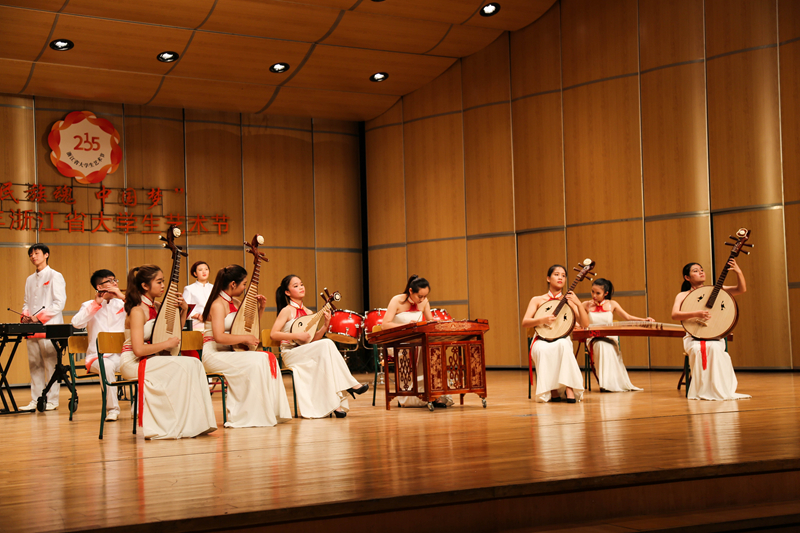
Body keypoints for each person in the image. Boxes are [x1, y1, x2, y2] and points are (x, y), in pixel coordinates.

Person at [119, 265, 217, 439]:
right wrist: (166, 343)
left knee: (195, 363)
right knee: (183, 366)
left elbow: (173, 333)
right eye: (159, 282)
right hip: (134, 362)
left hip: (153, 358)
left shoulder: (158, 306)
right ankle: (173, 424)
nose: (163, 285)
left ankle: (196, 423)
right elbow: (138, 349)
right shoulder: (137, 310)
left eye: (163, 281)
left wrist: (184, 311)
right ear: (145, 286)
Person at [202, 265, 291, 427]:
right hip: (214, 353)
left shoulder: (236, 302)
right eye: (244, 284)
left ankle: (271, 411)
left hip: (231, 351)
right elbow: (219, 337)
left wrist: (261, 308)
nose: (245, 288)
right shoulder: (217, 305)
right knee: (257, 361)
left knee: (267, 357)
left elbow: (249, 328)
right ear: (233, 284)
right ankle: (245, 415)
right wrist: (245, 338)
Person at [269, 274, 368, 418]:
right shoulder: (287, 311)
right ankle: (350, 384)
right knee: (327, 344)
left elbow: (312, 340)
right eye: (296, 286)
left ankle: (335, 404)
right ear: (287, 292)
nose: (301, 287)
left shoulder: (309, 313)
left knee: (325, 354)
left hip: (305, 351)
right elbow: (273, 334)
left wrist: (325, 326)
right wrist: (296, 335)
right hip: (290, 353)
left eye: (301, 284)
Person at [671, 260, 750, 401]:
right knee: (697, 349)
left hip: (714, 336)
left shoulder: (715, 290)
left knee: (714, 348)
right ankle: (702, 389)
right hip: (693, 336)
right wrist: (697, 314)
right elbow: (675, 315)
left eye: (701, 270)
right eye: (695, 271)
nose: (701, 272)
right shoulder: (682, 295)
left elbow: (741, 289)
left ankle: (718, 388)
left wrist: (738, 271)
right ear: (687, 277)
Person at [522, 264, 589, 403]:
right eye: (556, 274)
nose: (560, 278)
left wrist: (577, 303)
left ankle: (569, 388)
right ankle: (551, 389)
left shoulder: (569, 300)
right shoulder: (537, 300)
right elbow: (525, 322)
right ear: (548, 278)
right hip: (541, 339)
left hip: (561, 338)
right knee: (542, 349)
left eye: (563, 275)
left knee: (563, 344)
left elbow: (585, 324)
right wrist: (542, 320)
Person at [382, 275, 452, 408]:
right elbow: (385, 325)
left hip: (418, 341)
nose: (422, 299)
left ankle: (433, 394)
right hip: (399, 342)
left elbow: (429, 321)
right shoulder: (396, 301)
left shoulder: (424, 302)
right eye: (420, 296)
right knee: (420, 350)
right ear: (410, 291)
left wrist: (434, 323)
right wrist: (407, 326)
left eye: (425, 296)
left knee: (433, 352)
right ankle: (411, 395)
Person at [71, 270, 126, 421]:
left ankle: (138, 409)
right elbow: (76, 323)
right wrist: (96, 304)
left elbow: (140, 312)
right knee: (106, 366)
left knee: (141, 364)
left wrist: (122, 296)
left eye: (115, 280)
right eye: (110, 281)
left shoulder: (122, 303)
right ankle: (113, 409)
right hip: (97, 357)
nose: (115, 284)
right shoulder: (88, 305)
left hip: (121, 355)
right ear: (99, 286)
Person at [581, 278, 650, 392]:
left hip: (609, 337)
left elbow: (627, 317)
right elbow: (577, 320)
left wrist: (644, 320)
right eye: (592, 291)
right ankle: (604, 384)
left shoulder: (612, 304)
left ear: (606, 293)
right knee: (601, 345)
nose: (594, 295)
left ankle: (610, 383)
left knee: (607, 346)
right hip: (593, 338)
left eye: (598, 293)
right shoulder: (585, 305)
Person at [20, 244, 66, 411]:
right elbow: (27, 302)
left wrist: (38, 317)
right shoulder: (29, 279)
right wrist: (26, 315)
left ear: (46, 255)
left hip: (49, 327)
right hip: (31, 327)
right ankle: (37, 399)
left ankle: (52, 400)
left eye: (36, 253)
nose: (33, 256)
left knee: (51, 364)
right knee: (34, 364)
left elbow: (59, 303)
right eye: (31, 254)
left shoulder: (55, 275)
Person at [183, 261, 213, 331]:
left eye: (206, 269)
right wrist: (198, 316)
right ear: (195, 273)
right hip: (197, 323)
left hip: (213, 322)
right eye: (200, 270)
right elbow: (185, 308)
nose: (204, 272)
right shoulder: (189, 289)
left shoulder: (214, 288)